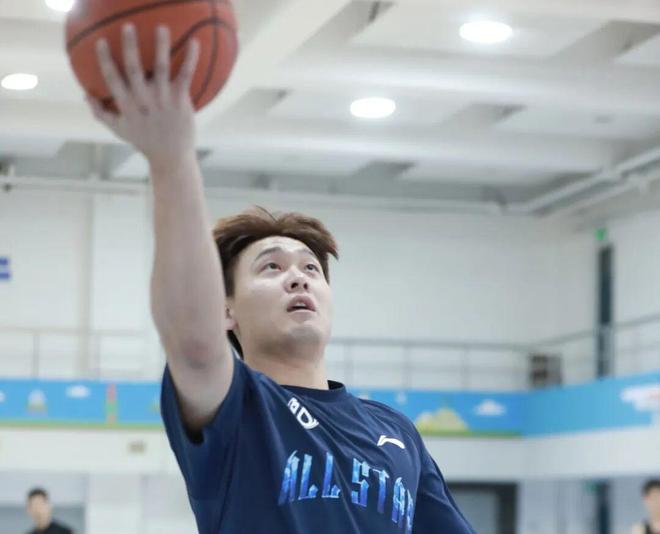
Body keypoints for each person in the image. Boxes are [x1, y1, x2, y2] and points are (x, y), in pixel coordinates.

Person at [87, 23, 477, 534]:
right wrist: (171, 158)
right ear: (225, 310)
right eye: (271, 267)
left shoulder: (394, 429)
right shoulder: (239, 408)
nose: (298, 278)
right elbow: (195, 346)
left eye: (311, 268)